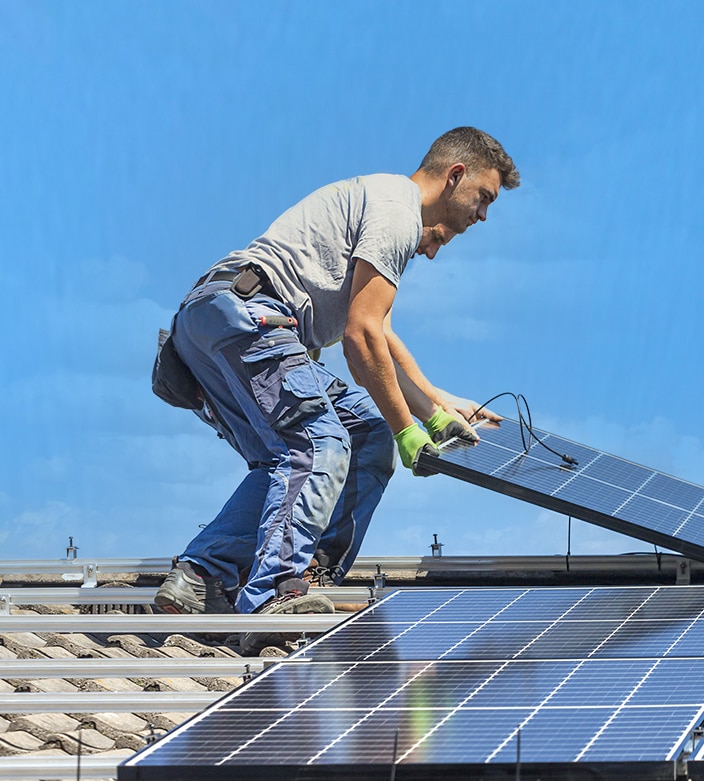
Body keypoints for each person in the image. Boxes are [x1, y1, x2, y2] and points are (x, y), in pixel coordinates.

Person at [153, 127, 519, 654]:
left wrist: (436, 402)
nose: (482, 215)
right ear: (454, 175)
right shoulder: (398, 210)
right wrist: (410, 431)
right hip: (250, 317)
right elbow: (360, 337)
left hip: (218, 322)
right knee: (319, 444)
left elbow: (380, 335)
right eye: (483, 198)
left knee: (359, 436)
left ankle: (201, 578)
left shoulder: (382, 206)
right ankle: (278, 589)